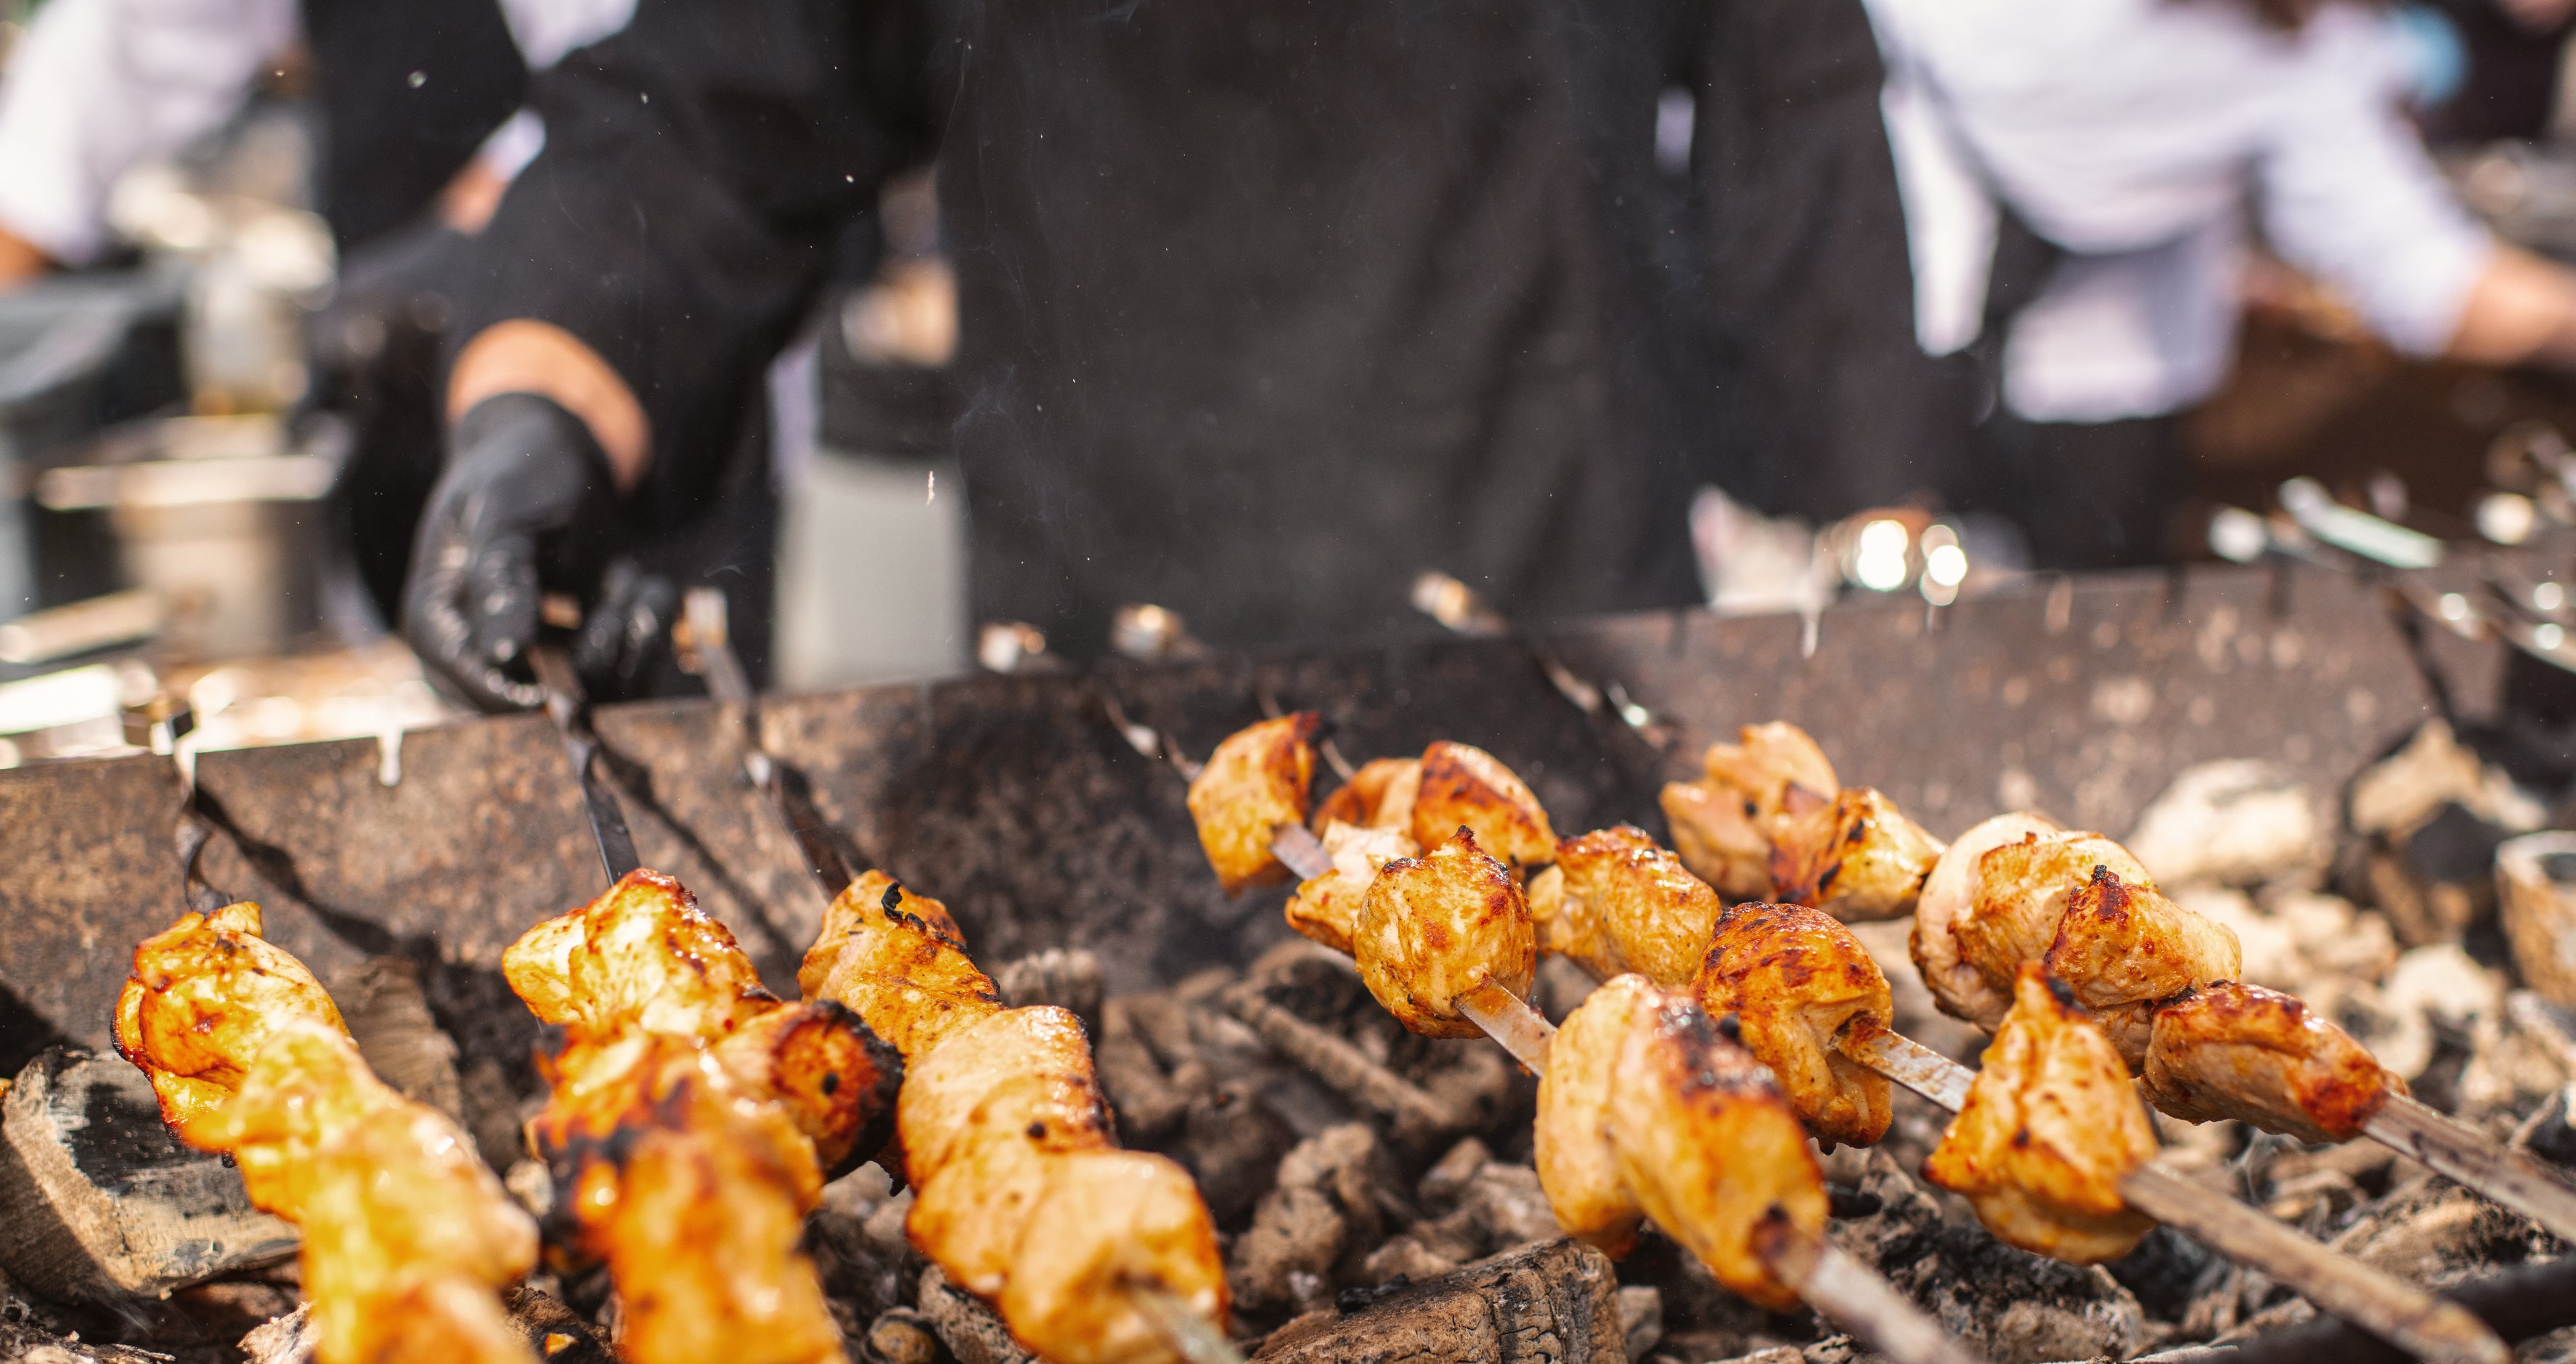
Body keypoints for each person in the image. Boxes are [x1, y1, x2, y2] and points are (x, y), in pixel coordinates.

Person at [396, 0, 1950, 711]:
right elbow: (713, 120)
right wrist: (539, 405)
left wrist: (1875, 515)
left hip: (1563, 643)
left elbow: (1792, 98)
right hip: (1109, 693)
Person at [1867, 0, 2576, 568]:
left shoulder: (2298, 47)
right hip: (2046, 376)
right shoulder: (2296, 60)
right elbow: (2434, 290)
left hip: (1922, 308)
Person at [0, 0, 640, 618]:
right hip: (392, 381)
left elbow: (643, 96)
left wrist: (456, 248)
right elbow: (108, 65)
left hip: (600, 345)